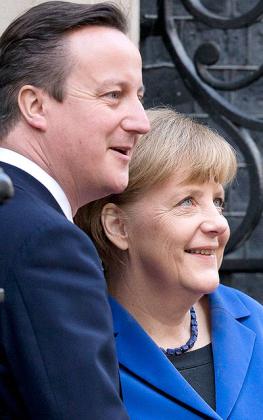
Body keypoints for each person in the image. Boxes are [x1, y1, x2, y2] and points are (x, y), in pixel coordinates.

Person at [0, 1, 150, 418]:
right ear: (35, 105)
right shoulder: (45, 242)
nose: (141, 121)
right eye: (113, 95)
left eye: (138, 98)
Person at [76, 108, 263, 419]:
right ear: (119, 227)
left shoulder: (255, 322)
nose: (218, 223)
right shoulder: (76, 344)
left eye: (217, 201)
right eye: (187, 201)